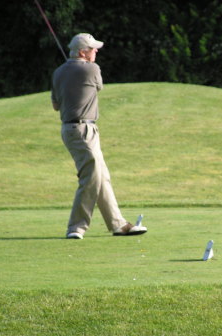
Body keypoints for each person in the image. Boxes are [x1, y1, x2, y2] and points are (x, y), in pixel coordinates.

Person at [51, 33, 147, 239]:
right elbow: (99, 87)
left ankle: (118, 224)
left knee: (102, 176)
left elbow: (55, 105)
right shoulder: (92, 69)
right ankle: (76, 227)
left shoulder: (58, 72)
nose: (96, 51)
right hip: (82, 130)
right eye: (93, 49)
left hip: (72, 129)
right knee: (91, 177)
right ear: (82, 52)